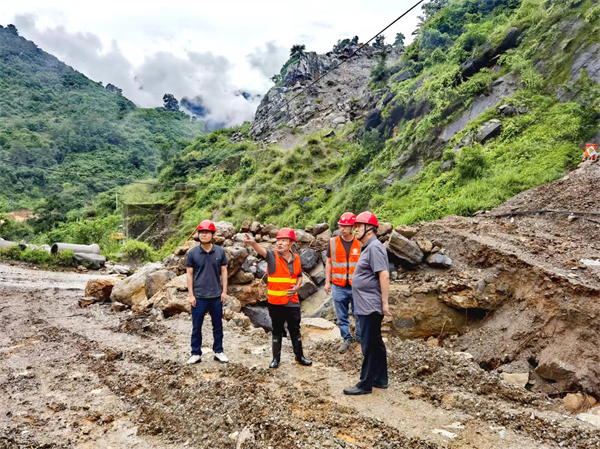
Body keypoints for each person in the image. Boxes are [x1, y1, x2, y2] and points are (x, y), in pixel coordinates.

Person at [244, 228, 312, 369]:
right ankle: (276, 359)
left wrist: (297, 287)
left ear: (291, 243)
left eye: (283, 241)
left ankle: (300, 357)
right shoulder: (272, 256)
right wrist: (253, 244)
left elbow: (299, 276)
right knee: (277, 330)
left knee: (295, 329)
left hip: (292, 301)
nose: (279, 243)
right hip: (275, 303)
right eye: (278, 241)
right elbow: (262, 250)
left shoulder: (297, 259)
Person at [343, 211, 391, 395]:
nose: (355, 230)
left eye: (358, 227)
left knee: (369, 345)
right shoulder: (369, 247)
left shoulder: (374, 248)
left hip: (370, 305)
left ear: (369, 229)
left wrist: (384, 303)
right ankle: (380, 379)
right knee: (376, 343)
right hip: (366, 305)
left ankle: (365, 384)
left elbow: (384, 275)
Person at [186, 220, 230, 365]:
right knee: (196, 326)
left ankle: (218, 351)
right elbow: (189, 275)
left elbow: (224, 272)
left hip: (216, 295)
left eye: (207, 232)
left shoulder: (220, 251)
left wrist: (224, 291)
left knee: (217, 325)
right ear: (198, 234)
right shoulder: (192, 253)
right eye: (201, 232)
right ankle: (195, 353)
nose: (204, 234)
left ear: (213, 234)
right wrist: (190, 295)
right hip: (199, 296)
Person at [325, 212, 362, 354]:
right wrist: (327, 282)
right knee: (341, 316)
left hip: (356, 286)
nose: (342, 229)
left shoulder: (360, 242)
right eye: (341, 226)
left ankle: (359, 337)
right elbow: (328, 262)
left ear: (353, 227)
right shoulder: (333, 242)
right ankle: (346, 338)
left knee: (359, 313)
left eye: (345, 227)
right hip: (338, 286)